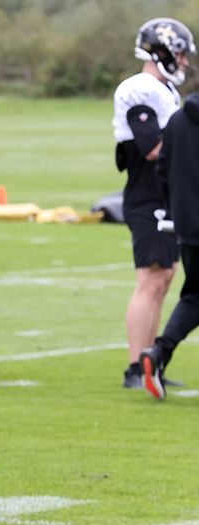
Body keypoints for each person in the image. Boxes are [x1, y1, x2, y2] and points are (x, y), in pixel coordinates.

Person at [114, 18, 193, 389]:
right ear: (160, 51)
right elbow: (152, 149)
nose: (185, 63)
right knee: (150, 279)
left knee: (164, 280)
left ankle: (150, 362)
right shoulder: (141, 89)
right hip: (148, 195)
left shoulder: (164, 91)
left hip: (167, 194)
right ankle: (135, 365)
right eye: (179, 54)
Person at [140, 91, 199, 399]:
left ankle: (159, 353)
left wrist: (178, 210)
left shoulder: (177, 120)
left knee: (195, 296)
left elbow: (162, 171)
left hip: (188, 227)